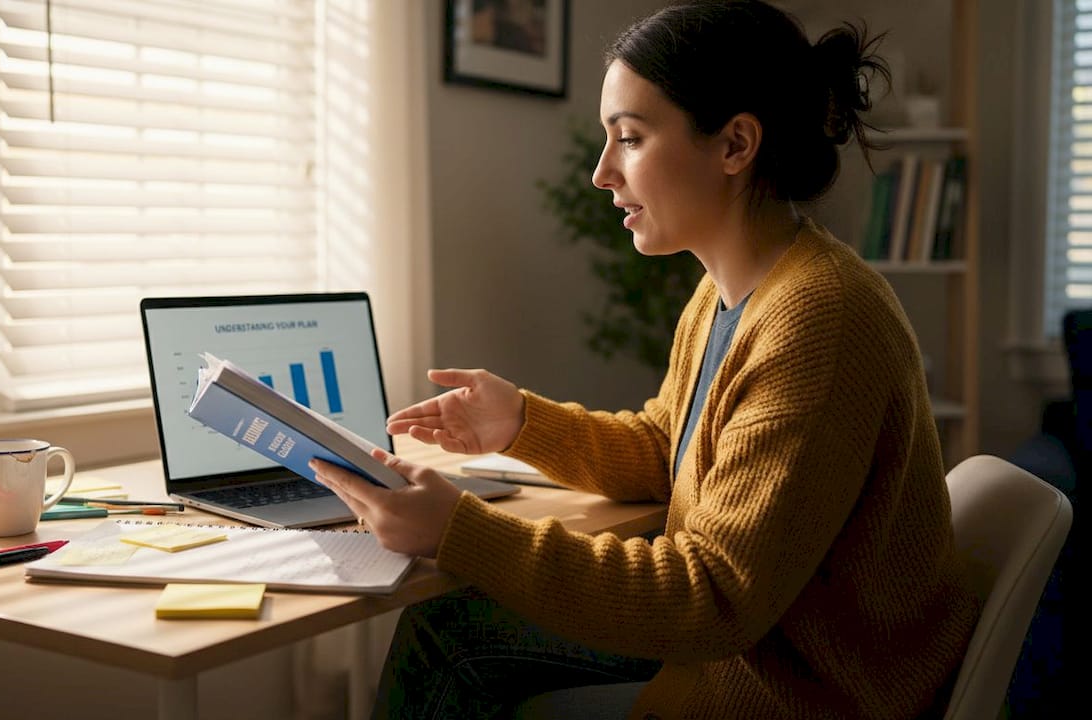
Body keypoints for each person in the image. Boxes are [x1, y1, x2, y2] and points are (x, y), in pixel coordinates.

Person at [309, 1, 979, 718]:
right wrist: (520, 422)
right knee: (450, 628)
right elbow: (669, 448)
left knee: (450, 641)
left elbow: (713, 598)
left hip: (796, 687)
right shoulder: (733, 288)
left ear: (735, 145)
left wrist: (458, 530)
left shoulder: (819, 317)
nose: (602, 173)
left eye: (628, 138)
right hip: (759, 643)